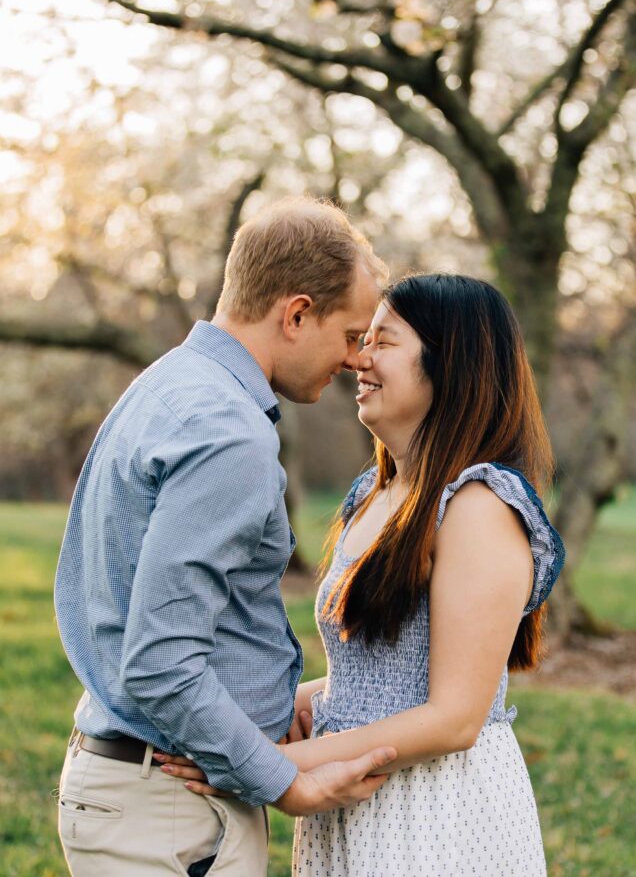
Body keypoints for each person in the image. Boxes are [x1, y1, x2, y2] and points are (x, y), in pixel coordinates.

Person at [166, 272, 565, 876]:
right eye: (362, 340)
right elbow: (379, 676)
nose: (358, 358)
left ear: (448, 362)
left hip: (434, 813)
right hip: (352, 801)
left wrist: (267, 763)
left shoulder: (479, 505)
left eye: (383, 340)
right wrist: (245, 716)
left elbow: (454, 717)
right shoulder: (374, 493)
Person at [54, 197, 397, 877]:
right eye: (351, 334)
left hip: (148, 791)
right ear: (296, 314)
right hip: (168, 812)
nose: (355, 359)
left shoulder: (169, 387)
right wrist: (287, 782)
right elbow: (160, 661)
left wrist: (270, 701)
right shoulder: (228, 433)